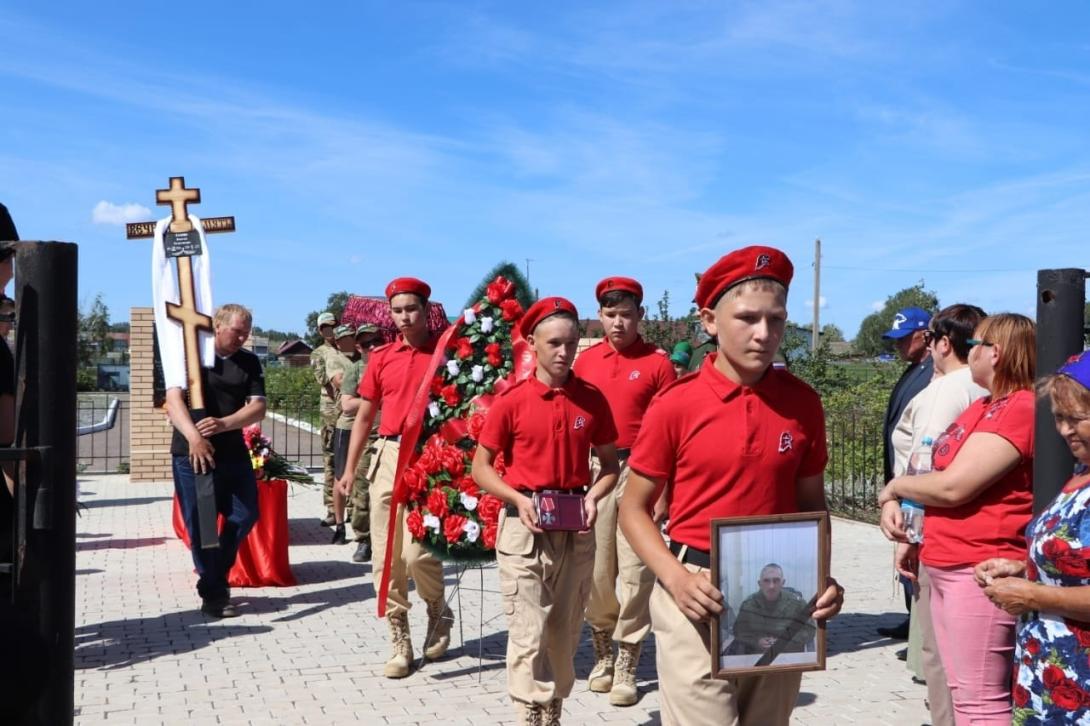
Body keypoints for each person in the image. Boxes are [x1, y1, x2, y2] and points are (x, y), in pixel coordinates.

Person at [618, 245, 844, 726]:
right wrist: (675, 580)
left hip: (781, 601)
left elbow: (813, 506)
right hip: (696, 595)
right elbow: (633, 509)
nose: (764, 334)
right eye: (746, 318)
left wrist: (821, 577)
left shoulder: (803, 404)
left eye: (776, 319)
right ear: (709, 320)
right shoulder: (675, 405)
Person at [879, 313, 1036, 724]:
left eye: (976, 345)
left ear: (995, 353)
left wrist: (896, 489)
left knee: (979, 698)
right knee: (957, 689)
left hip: (980, 565)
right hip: (948, 559)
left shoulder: (1018, 408)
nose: (970, 353)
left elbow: (953, 487)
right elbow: (929, 469)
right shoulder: (985, 405)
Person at [471, 296, 620, 726]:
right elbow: (481, 467)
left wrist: (593, 496)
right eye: (553, 343)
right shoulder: (511, 402)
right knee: (527, 634)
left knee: (563, 635)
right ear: (531, 344)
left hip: (575, 528)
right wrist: (517, 499)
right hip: (524, 528)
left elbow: (609, 466)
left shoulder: (591, 399)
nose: (563, 352)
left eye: (571, 343)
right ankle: (531, 715)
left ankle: (552, 709)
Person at [335, 277, 452, 679]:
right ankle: (399, 638)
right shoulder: (381, 357)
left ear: (425, 309)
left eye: (412, 309)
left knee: (418, 553)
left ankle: (437, 610)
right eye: (398, 310)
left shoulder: (445, 354)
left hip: (429, 459)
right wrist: (348, 470)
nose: (405, 317)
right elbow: (364, 416)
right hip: (388, 455)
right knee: (386, 554)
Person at [572, 276, 676, 706]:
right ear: (599, 316)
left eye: (626, 315)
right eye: (610, 315)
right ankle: (601, 652)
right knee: (596, 569)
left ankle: (628, 658)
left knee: (635, 571)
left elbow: (672, 431)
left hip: (642, 471)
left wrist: (666, 492)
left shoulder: (657, 363)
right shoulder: (585, 362)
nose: (618, 323)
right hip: (596, 470)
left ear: (640, 316)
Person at [974, 350, 1090, 723]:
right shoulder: (1080, 472)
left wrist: (1032, 595)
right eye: (1059, 418)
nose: (1064, 430)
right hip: (1049, 671)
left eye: (1077, 419)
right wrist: (1025, 568)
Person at [887, 304, 987, 726]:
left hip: (935, 531)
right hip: (961, 528)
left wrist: (909, 533)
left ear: (944, 342)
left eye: (930, 338)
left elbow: (924, 463)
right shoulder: (979, 386)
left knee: (938, 650)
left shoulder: (947, 391)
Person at [166, 303, 267, 618]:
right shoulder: (189, 358)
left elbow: (258, 408)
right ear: (218, 327)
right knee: (203, 525)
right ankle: (214, 595)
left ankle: (214, 574)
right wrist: (194, 438)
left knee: (246, 513)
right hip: (191, 454)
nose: (242, 338)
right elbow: (172, 402)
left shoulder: (249, 362)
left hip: (233, 452)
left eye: (246, 333)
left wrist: (225, 423)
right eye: (238, 332)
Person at [879, 305, 934, 641]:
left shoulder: (930, 374)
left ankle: (919, 626)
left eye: (904, 339)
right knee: (903, 547)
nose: (897, 346)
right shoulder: (915, 368)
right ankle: (911, 618)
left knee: (911, 549)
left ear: (924, 336)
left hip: (914, 482)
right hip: (901, 482)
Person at [335, 323, 383, 563]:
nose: (372, 347)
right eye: (366, 343)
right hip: (366, 438)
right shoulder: (356, 369)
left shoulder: (391, 364)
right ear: (358, 347)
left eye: (377, 341)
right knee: (361, 492)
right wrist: (376, 399)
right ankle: (364, 540)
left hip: (392, 436)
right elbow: (346, 404)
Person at [728, 564, 815, 656]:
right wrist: (756, 641)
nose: (771, 586)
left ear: (783, 582)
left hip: (789, 656)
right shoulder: (748, 605)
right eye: (766, 581)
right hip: (757, 657)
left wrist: (785, 641)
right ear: (759, 584)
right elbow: (738, 631)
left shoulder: (797, 604)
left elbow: (810, 630)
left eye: (776, 580)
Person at [326, 324, 359, 545]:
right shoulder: (335, 358)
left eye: (352, 336)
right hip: (346, 425)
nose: (350, 340)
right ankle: (339, 525)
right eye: (345, 337)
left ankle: (362, 526)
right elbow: (339, 381)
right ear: (338, 341)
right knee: (340, 476)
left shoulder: (366, 356)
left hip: (369, 425)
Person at [311, 311, 341, 526]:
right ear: (320, 331)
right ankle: (332, 507)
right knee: (331, 459)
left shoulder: (348, 348)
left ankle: (351, 506)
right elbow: (324, 380)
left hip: (349, 409)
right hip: (331, 409)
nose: (330, 331)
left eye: (333, 326)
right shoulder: (319, 353)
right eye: (326, 328)